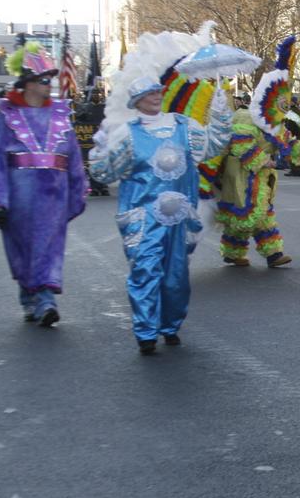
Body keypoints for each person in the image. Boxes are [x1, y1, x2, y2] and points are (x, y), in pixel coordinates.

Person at [90, 76, 231, 354]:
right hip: (143, 218)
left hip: (179, 218)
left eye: (158, 92)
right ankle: (146, 331)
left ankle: (170, 326)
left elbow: (214, 146)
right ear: (137, 101)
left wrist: (220, 113)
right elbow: (103, 173)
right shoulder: (127, 134)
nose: (156, 97)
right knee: (145, 271)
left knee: (175, 276)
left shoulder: (184, 126)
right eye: (149, 94)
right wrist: (100, 148)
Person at [0, 39, 87, 326]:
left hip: (54, 193)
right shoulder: (6, 116)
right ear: (27, 83)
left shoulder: (61, 115)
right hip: (20, 194)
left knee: (48, 246)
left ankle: (44, 299)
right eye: (42, 79)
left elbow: (73, 155)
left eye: (50, 78)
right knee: (24, 248)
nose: (48, 84)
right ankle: (30, 296)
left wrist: (78, 186)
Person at [201, 37, 300, 268]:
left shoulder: (273, 123)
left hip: (260, 178)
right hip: (241, 174)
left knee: (256, 215)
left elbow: (287, 141)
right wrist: (263, 161)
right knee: (248, 216)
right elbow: (241, 144)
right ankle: (261, 254)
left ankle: (250, 253)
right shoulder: (245, 117)